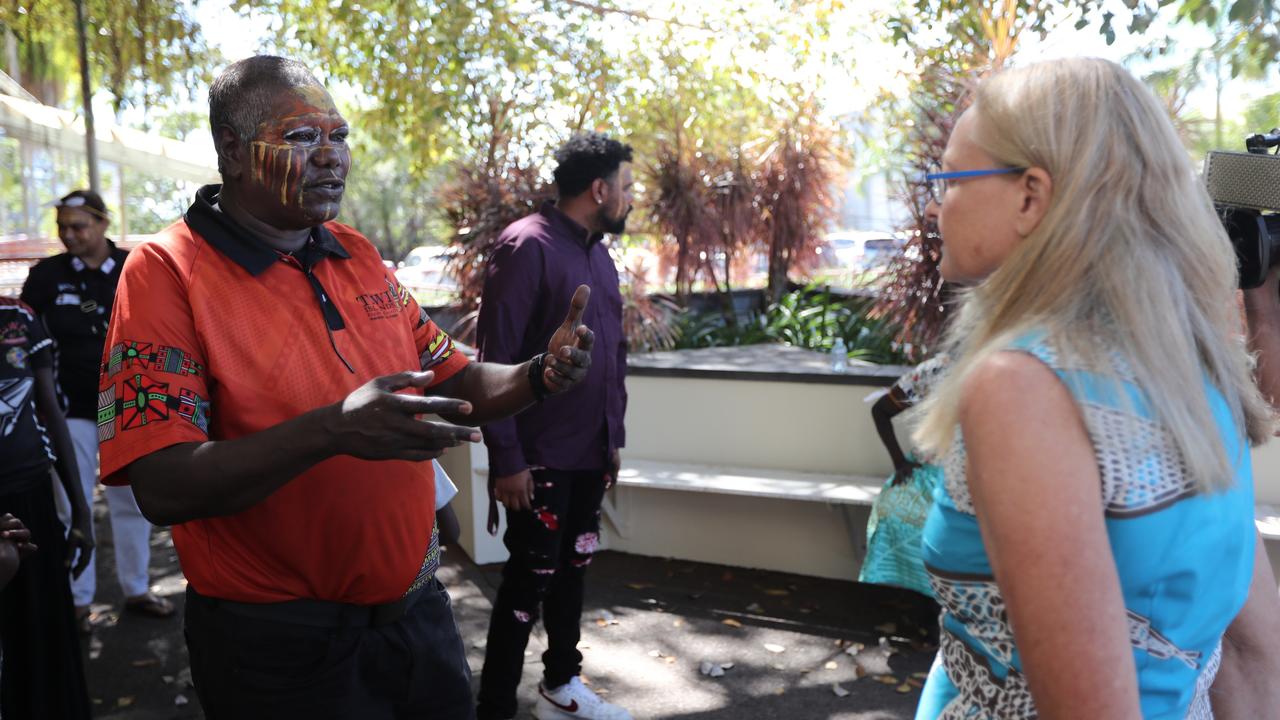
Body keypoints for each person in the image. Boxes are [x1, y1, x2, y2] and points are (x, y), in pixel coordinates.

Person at [97, 55, 596, 720]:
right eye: (303, 138)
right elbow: (161, 486)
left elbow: (462, 378)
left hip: (418, 619)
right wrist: (332, 430)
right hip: (280, 652)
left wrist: (540, 374)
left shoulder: (355, 254)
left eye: (339, 136)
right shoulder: (165, 272)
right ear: (233, 152)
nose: (331, 157)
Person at [909, 57, 1280, 719]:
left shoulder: (1021, 387)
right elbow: (1253, 653)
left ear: (1030, 196)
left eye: (949, 178)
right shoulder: (1194, 369)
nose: (936, 204)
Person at [475, 132, 633, 720]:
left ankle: (562, 685)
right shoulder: (525, 247)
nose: (630, 198)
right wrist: (508, 458)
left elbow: (611, 359)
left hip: (589, 454)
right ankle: (493, 708)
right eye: (627, 187)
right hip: (537, 458)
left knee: (573, 574)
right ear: (600, 188)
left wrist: (612, 441)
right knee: (527, 584)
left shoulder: (598, 254)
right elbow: (493, 360)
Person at [20, 190, 173, 632]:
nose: (69, 235)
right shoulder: (47, 277)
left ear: (103, 224)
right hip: (68, 409)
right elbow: (23, 333)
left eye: (79, 226)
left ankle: (137, 588)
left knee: (132, 501)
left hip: (129, 405)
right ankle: (78, 600)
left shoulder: (133, 267)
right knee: (72, 504)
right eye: (62, 227)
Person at [0, 297, 94, 719]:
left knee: (43, 633)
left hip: (32, 503)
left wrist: (81, 511)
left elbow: (50, 409)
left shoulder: (17, 317)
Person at [861, 351, 949, 598]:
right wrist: (900, 462)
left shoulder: (998, 373)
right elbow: (881, 410)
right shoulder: (935, 370)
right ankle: (897, 608)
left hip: (968, 480)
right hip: (924, 473)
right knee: (890, 514)